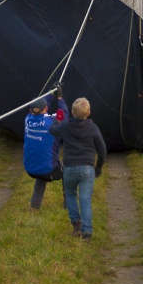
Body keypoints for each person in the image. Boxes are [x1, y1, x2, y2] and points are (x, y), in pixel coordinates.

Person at [49, 97, 106, 241]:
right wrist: (98, 167)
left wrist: (57, 119)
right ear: (89, 112)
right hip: (87, 168)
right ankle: (87, 232)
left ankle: (76, 224)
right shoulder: (93, 128)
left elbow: (52, 130)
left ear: (73, 112)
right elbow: (102, 150)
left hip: (69, 167)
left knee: (70, 195)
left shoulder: (65, 126)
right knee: (85, 200)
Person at [23, 83, 68, 211]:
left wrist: (51, 92)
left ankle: (34, 205)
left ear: (30, 110)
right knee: (67, 170)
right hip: (48, 169)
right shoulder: (53, 122)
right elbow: (64, 114)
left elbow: (40, 105)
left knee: (42, 170)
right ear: (46, 109)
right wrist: (60, 98)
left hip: (30, 168)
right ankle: (68, 203)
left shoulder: (28, 119)